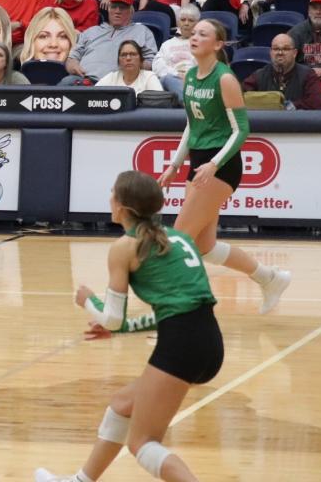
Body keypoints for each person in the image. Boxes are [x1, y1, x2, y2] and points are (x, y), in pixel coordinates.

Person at [33, 170, 222, 482]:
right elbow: (176, 311)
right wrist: (119, 330)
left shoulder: (124, 246)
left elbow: (111, 316)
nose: (110, 199)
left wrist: (88, 302)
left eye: (112, 194)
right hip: (208, 341)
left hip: (181, 347)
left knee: (143, 443)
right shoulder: (180, 238)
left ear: (121, 207)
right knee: (122, 404)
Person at [157, 19, 291, 315]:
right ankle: (269, 278)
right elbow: (192, 125)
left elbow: (241, 130)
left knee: (177, 241)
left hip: (222, 165)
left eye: (202, 34)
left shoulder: (225, 79)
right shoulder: (190, 76)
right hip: (199, 163)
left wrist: (215, 164)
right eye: (193, 34)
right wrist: (175, 164)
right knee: (204, 247)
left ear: (218, 44)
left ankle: (173, 316)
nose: (194, 37)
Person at [63, 0, 158, 85]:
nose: (117, 11)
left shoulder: (142, 32)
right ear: (108, 8)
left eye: (122, 7)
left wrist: (135, 65)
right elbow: (72, 58)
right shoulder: (91, 31)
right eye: (114, 7)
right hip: (85, 81)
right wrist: (73, 65)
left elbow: (151, 62)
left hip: (119, 83)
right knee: (66, 82)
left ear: (131, 11)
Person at [242, 33, 321, 109]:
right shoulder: (259, 76)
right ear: (271, 52)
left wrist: (292, 106)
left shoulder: (308, 76)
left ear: (294, 53)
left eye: (285, 49)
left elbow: (318, 105)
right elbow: (241, 98)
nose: (280, 52)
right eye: (275, 49)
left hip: (297, 125)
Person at [154, 3, 200, 99]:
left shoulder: (201, 43)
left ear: (197, 23)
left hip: (194, 81)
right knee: (166, 79)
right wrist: (176, 75)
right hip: (169, 80)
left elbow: (204, 65)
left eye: (191, 20)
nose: (186, 23)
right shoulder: (167, 44)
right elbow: (158, 66)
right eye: (183, 20)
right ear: (178, 23)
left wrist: (189, 76)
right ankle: (189, 103)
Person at [96, 40, 164, 94]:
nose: (128, 58)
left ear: (141, 60)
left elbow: (159, 101)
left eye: (133, 54)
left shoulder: (149, 77)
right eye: (124, 55)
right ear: (119, 61)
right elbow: (91, 95)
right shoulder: (111, 77)